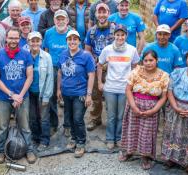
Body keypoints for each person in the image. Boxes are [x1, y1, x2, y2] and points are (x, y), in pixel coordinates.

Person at [0, 27, 37, 164]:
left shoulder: (26, 54)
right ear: (6, 38)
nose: (13, 40)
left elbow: (30, 77)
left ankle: (29, 150)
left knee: (25, 125)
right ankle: (0, 151)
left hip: (23, 96)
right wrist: (12, 94)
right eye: (10, 38)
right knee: (3, 126)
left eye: (16, 38)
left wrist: (20, 96)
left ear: (19, 39)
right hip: (4, 98)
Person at [119, 50, 169, 170]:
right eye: (145, 60)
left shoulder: (164, 75)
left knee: (146, 134)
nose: (148, 63)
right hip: (134, 105)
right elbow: (128, 90)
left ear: (157, 61)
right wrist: (134, 106)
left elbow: (163, 97)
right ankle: (129, 151)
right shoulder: (136, 71)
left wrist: (154, 110)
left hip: (152, 109)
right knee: (132, 129)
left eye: (151, 60)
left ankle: (145, 156)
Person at [97, 24, 140, 150]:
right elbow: (99, 65)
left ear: (126, 36)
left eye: (122, 35)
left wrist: (132, 83)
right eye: (117, 34)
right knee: (111, 115)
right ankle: (110, 138)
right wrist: (100, 82)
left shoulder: (132, 50)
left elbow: (136, 66)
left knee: (121, 116)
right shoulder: (108, 49)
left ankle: (119, 138)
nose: (120, 37)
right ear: (114, 35)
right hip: (110, 88)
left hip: (124, 89)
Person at [57, 30, 95, 158]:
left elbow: (91, 75)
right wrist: (58, 89)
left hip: (80, 93)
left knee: (78, 118)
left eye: (75, 39)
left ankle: (81, 142)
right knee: (69, 117)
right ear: (66, 41)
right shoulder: (63, 55)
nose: (72, 41)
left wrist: (89, 94)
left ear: (79, 41)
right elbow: (60, 72)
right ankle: (73, 138)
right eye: (70, 39)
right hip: (66, 93)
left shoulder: (86, 56)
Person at [84, 3, 114, 131]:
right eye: (99, 12)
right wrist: (94, 62)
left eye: (104, 12)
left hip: (112, 68)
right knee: (96, 96)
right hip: (97, 67)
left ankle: (112, 122)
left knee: (111, 96)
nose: (101, 15)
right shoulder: (91, 31)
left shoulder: (116, 29)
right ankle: (95, 118)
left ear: (109, 13)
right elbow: (87, 50)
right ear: (95, 14)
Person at [43, 9, 72, 136]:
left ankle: (67, 125)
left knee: (68, 97)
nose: (60, 21)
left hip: (68, 68)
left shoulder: (72, 33)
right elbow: (45, 50)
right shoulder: (49, 33)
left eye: (63, 19)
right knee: (51, 97)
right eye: (58, 19)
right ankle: (53, 124)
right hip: (53, 68)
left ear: (67, 20)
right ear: (54, 20)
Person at [27, 31, 54, 151]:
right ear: (28, 42)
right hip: (29, 93)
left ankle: (44, 140)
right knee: (32, 117)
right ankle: (35, 137)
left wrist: (47, 96)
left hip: (42, 92)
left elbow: (50, 77)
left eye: (37, 40)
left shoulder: (46, 57)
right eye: (32, 40)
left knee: (44, 117)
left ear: (41, 42)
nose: (35, 43)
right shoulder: (25, 55)